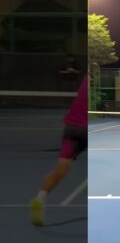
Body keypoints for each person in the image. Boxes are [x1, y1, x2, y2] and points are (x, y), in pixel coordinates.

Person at [30, 75, 88, 226]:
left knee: (60, 170)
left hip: (71, 128)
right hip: (87, 129)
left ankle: (40, 198)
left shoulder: (86, 79)